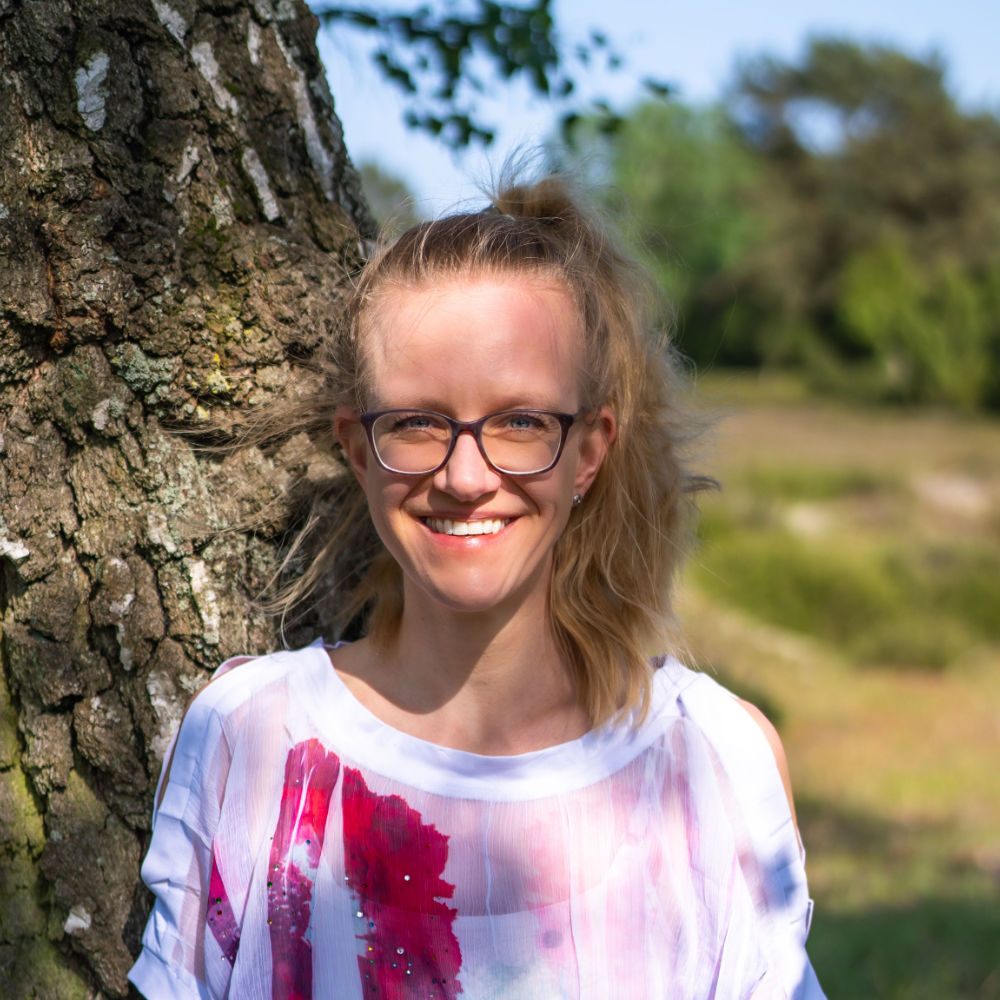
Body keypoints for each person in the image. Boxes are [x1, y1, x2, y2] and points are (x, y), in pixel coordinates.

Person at [129, 175, 825, 999]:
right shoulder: (251, 741)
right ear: (358, 448)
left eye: (521, 422)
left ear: (590, 451)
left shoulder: (716, 760)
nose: (466, 476)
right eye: (418, 422)